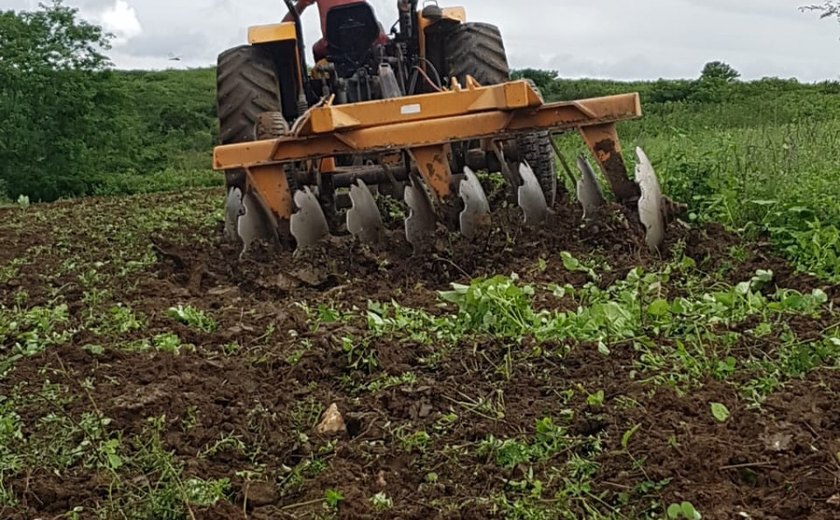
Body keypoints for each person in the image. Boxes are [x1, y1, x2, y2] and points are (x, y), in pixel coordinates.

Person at [283, 0, 388, 61]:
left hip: (333, 44)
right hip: (370, 38)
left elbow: (285, 26)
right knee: (381, 30)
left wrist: (300, 6)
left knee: (317, 50)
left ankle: (324, 86)